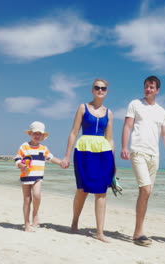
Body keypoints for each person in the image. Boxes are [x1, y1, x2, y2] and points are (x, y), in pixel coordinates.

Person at [121, 75, 165, 246]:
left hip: (155, 156)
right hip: (138, 151)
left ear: (157, 90)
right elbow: (128, 126)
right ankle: (138, 233)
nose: (148, 89)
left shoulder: (162, 112)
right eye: (146, 86)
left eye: (151, 87)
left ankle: (139, 230)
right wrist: (124, 146)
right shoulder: (135, 104)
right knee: (145, 189)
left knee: (146, 193)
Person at [60, 78, 115, 243]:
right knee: (82, 189)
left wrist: (113, 162)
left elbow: (110, 139)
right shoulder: (82, 108)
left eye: (103, 88)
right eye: (97, 87)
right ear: (92, 90)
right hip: (84, 151)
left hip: (103, 153)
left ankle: (100, 232)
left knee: (102, 192)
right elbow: (73, 132)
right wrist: (66, 156)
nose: (100, 90)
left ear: (106, 91)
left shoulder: (109, 112)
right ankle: (75, 221)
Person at [14, 121, 62, 232]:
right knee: (27, 200)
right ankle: (26, 224)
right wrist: (21, 165)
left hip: (37, 177)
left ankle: (35, 214)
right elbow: (17, 159)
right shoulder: (24, 146)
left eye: (40, 134)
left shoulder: (43, 149)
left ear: (43, 136)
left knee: (36, 195)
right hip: (25, 177)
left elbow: (51, 158)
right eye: (35, 133)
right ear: (30, 134)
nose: (37, 136)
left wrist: (61, 163)